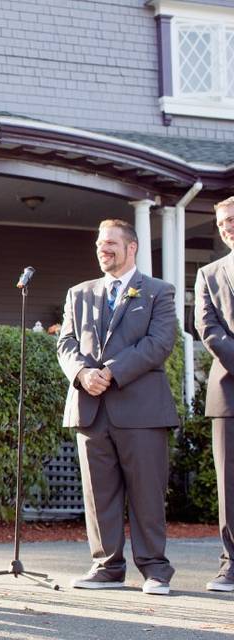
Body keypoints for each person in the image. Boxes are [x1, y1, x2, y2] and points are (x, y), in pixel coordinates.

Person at [57, 219, 178, 595]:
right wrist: (81, 373)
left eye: (110, 243)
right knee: (98, 494)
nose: (102, 249)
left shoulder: (159, 292)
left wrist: (110, 371)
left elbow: (160, 343)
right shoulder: (79, 293)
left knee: (146, 492)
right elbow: (66, 343)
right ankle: (106, 566)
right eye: (99, 244)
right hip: (91, 408)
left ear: (132, 247)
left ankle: (155, 569)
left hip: (142, 410)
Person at [193, 195, 234, 593]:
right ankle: (231, 564)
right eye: (222, 222)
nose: (227, 226)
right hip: (229, 392)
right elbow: (208, 328)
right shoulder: (208, 273)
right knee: (231, 484)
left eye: (233, 219)